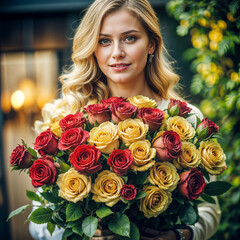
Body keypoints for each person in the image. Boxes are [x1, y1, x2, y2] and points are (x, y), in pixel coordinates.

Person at [30, 0, 221, 239]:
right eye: (104, 41)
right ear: (92, 48)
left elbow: (209, 210)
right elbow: (37, 222)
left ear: (151, 44)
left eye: (130, 38)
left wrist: (178, 236)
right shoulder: (66, 120)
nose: (117, 52)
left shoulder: (186, 118)